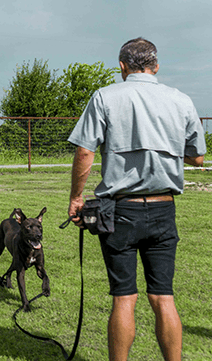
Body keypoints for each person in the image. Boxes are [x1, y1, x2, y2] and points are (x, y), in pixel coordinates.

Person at [67, 37, 206, 361]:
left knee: (124, 298)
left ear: (122, 67)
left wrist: (76, 197)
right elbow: (197, 158)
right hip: (163, 209)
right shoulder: (181, 100)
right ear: (156, 66)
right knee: (163, 298)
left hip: (121, 212)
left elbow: (85, 151)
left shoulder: (105, 97)